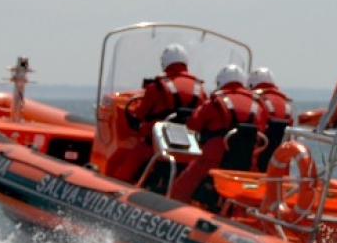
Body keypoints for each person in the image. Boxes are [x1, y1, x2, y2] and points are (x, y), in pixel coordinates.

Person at [169, 64, 268, 205]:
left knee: (181, 188)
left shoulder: (214, 102)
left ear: (220, 82)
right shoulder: (258, 105)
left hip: (213, 159)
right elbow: (262, 129)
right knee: (247, 196)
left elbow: (193, 124)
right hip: (245, 163)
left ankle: (176, 216)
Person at [120, 43, 206, 183]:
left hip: (157, 145)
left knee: (130, 163)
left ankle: (115, 192)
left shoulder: (157, 87)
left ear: (164, 63)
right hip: (189, 148)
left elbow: (140, 113)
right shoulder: (199, 88)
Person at [248, 67, 295, 171]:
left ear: (251, 84)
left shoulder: (255, 100)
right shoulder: (286, 103)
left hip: (256, 166)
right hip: (281, 165)